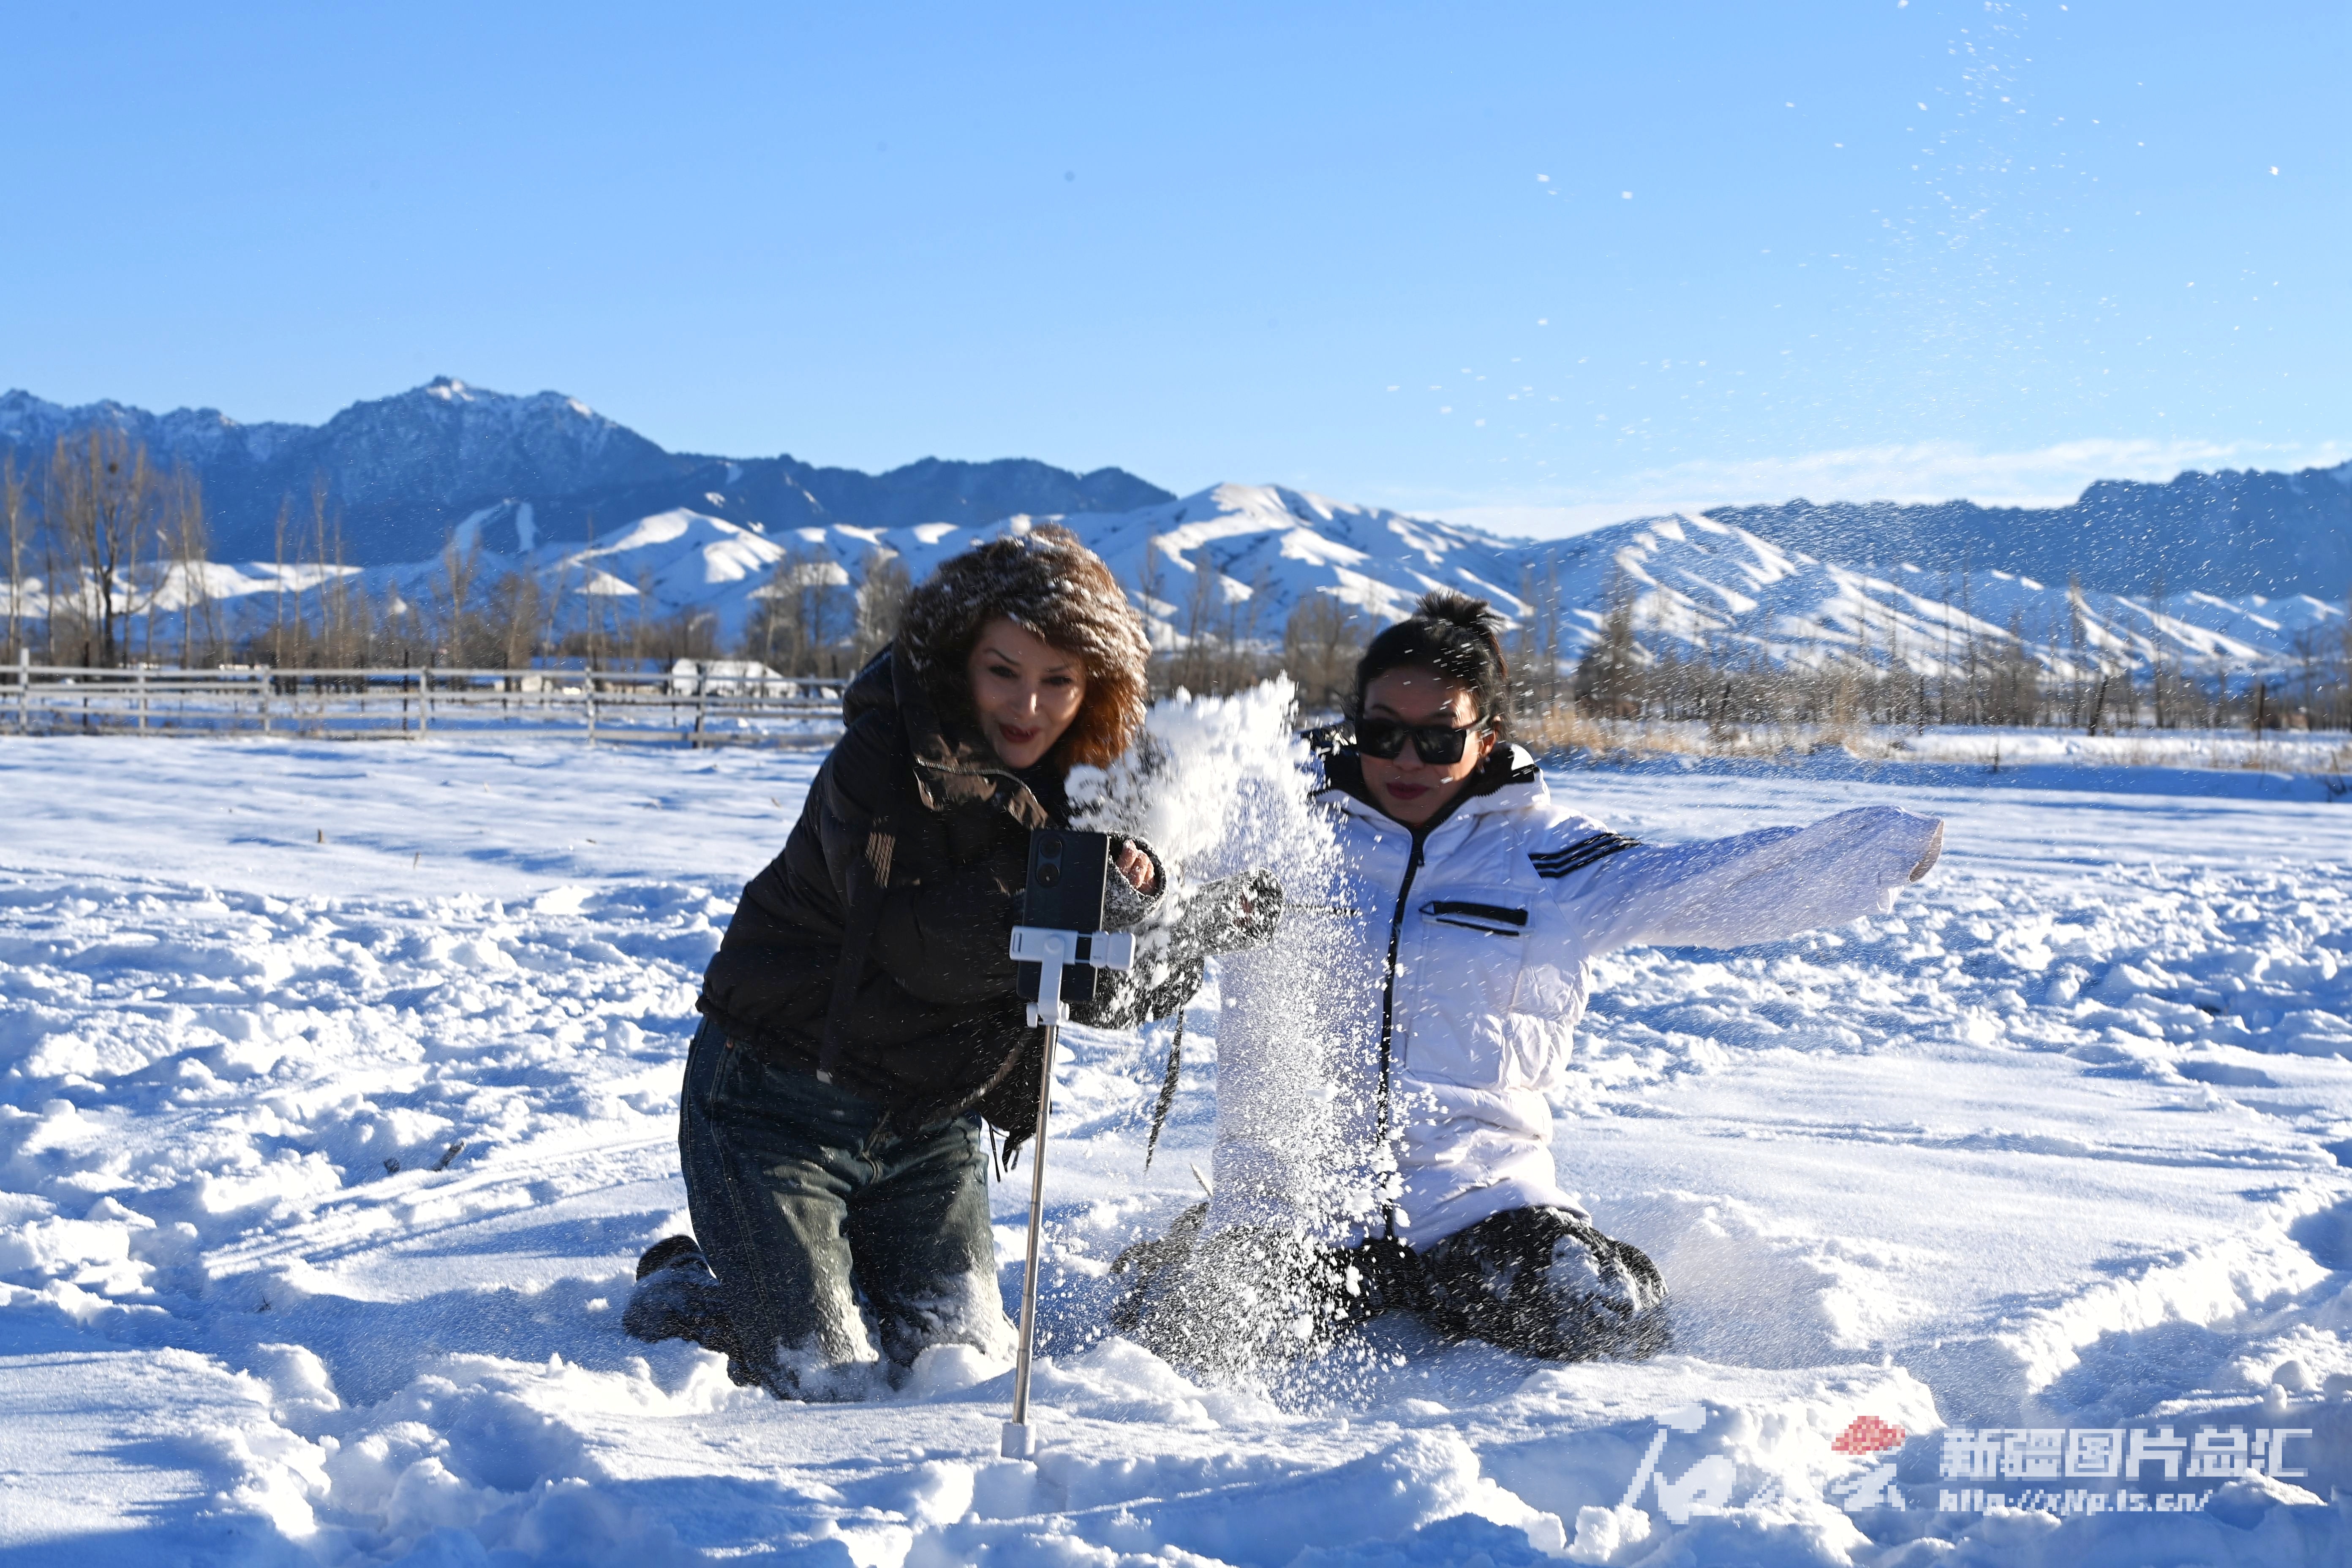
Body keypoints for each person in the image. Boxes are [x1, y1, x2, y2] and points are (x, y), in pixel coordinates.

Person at [1120, 589, 1946, 1371]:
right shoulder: (1274, 828)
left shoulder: (1547, 856)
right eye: (1383, 732)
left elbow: (1700, 885)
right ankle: (1204, 1241)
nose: (1407, 759)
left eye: (1438, 738)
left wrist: (1878, 849)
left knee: (1608, 1320)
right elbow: (1155, 859)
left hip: (1473, 1200)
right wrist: (1138, 874)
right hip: (1297, 1205)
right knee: (1175, 1345)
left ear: (1487, 736)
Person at [626, 525, 1181, 1396]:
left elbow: (1107, 993)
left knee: (958, 1366)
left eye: (1059, 680)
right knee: (819, 1374)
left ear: (1097, 685)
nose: (1029, 705)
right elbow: (922, 948)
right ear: (960, 657)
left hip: (930, 1124)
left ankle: (823, 1270)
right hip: (776, 1106)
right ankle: (687, 1284)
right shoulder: (884, 758)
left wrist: (1157, 916)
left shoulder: (1100, 785)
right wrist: (1068, 897)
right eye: (1003, 670)